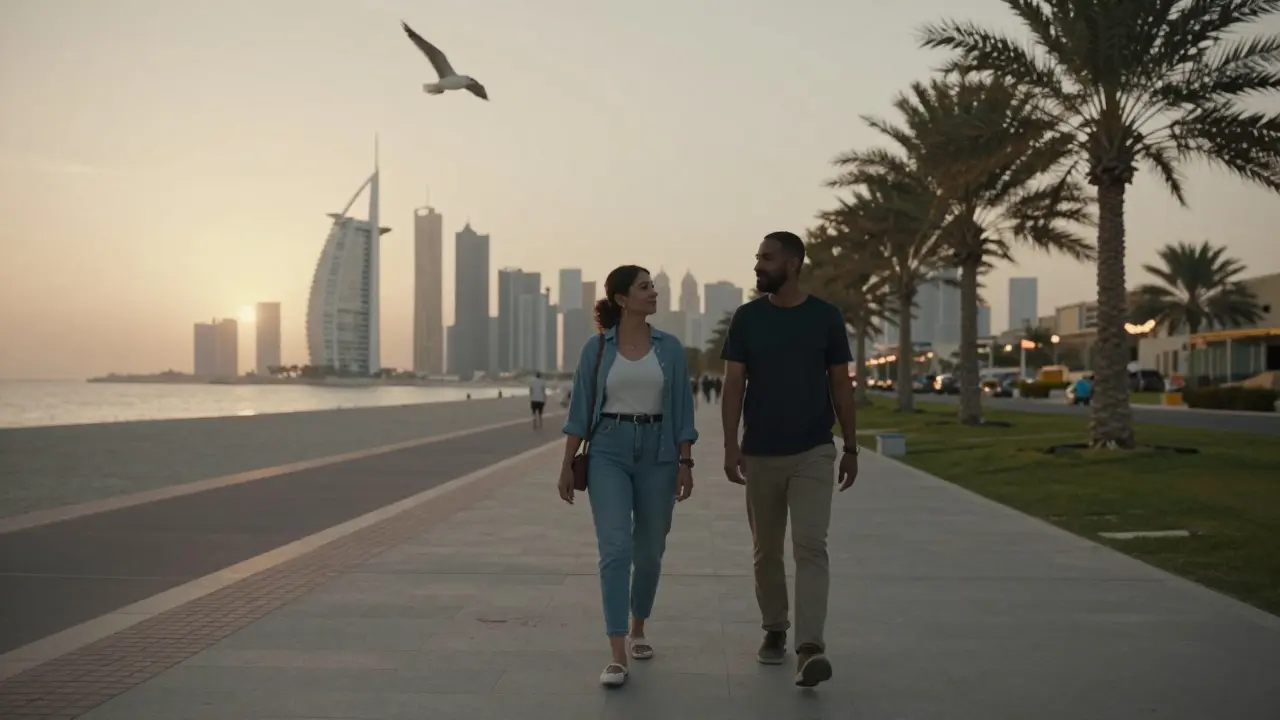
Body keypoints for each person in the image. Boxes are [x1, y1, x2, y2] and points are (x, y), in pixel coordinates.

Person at [720, 230, 859, 689]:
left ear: (793, 263)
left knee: (811, 546)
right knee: (766, 551)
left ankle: (810, 648)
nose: (758, 265)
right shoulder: (747, 318)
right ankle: (775, 628)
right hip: (761, 452)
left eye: (767, 258)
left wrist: (851, 446)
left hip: (813, 451)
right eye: (757, 257)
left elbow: (841, 385)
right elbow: (733, 384)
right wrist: (730, 445)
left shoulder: (825, 317)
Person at [558, 264, 699, 688]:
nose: (653, 292)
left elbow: (683, 410)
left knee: (650, 550)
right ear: (622, 299)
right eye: (644, 287)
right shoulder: (597, 349)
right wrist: (566, 463)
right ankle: (617, 652)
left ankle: (639, 626)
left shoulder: (669, 348)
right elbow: (580, 409)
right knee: (616, 548)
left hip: (659, 451)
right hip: (608, 451)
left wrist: (686, 462)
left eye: (653, 285)